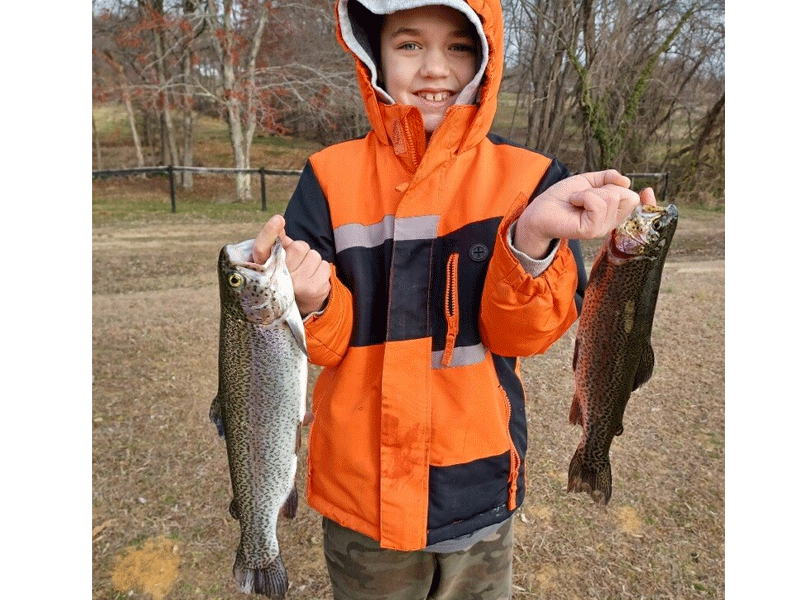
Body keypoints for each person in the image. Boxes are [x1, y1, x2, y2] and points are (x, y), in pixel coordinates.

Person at [251, 1, 656, 598]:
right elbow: (324, 345)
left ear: (487, 57)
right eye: (409, 45)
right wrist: (308, 299)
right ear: (372, 56)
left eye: (459, 47)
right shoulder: (327, 176)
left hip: (480, 489)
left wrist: (530, 239)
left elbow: (526, 336)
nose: (435, 68)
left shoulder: (533, 179)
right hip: (361, 497)